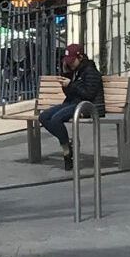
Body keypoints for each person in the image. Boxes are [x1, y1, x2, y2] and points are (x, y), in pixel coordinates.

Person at [39, 43, 105, 171]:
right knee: (44, 116)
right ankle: (67, 145)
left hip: (86, 106)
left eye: (71, 61)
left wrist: (71, 84)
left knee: (56, 119)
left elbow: (89, 94)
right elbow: (71, 93)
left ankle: (67, 153)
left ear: (80, 57)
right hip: (72, 103)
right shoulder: (74, 72)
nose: (69, 64)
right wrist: (66, 82)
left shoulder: (90, 71)